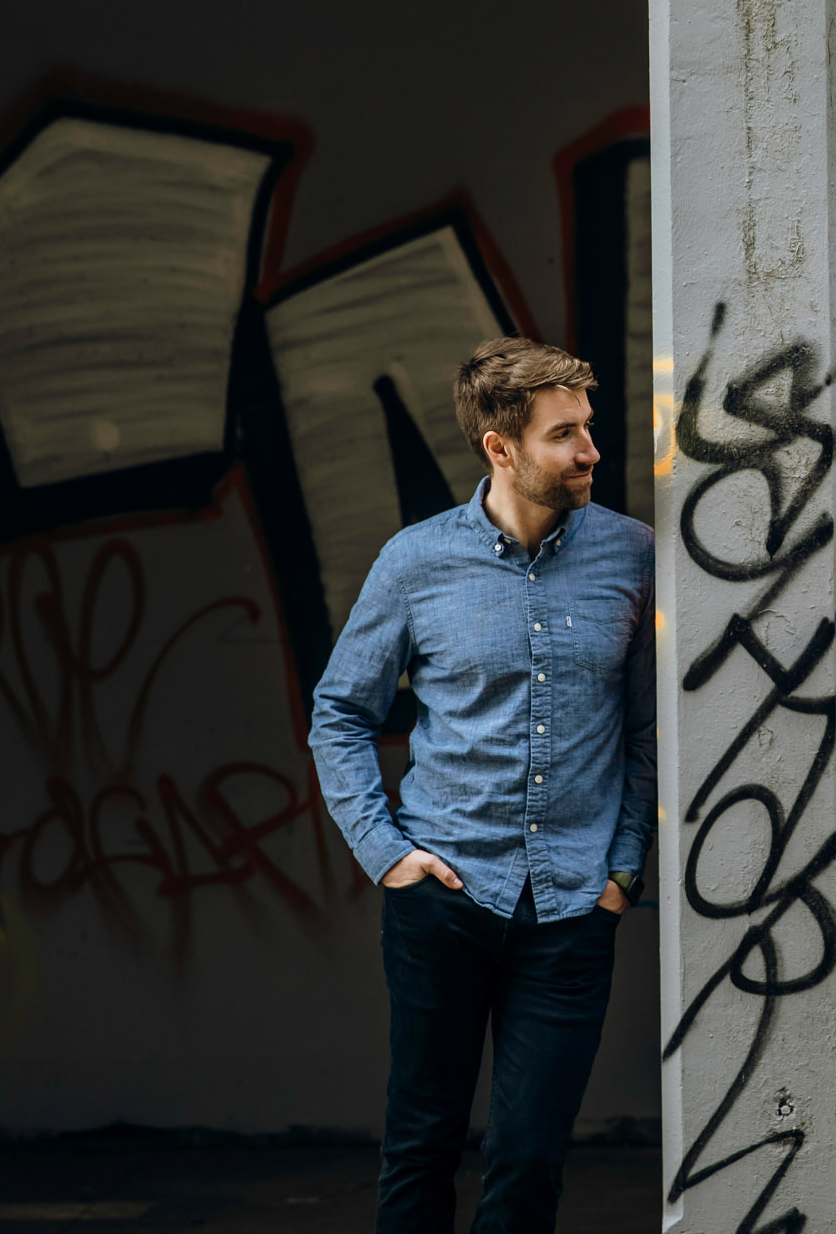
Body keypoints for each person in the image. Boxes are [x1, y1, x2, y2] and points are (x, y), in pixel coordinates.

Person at [310, 336, 655, 1234]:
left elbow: (651, 730)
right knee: (421, 1145)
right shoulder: (415, 562)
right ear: (500, 449)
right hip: (444, 901)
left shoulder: (634, 555)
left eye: (587, 428)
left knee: (530, 1160)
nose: (590, 452)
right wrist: (388, 856)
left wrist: (623, 870)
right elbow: (339, 713)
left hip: (575, 905)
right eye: (563, 435)